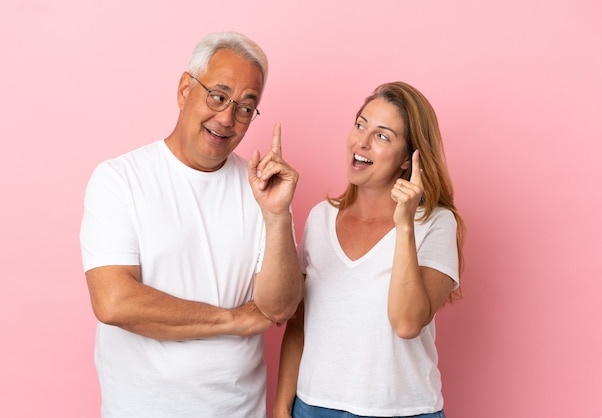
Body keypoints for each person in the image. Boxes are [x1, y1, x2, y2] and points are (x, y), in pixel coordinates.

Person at [80, 31, 303, 417]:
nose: (227, 118)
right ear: (186, 89)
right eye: (217, 97)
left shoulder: (263, 192)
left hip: (237, 409)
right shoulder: (119, 179)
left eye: (246, 108)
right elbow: (115, 302)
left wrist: (277, 216)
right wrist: (233, 319)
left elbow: (279, 308)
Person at [274, 82, 465, 418]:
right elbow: (299, 323)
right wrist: (280, 406)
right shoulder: (320, 219)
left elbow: (407, 323)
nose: (361, 141)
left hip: (403, 411)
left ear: (408, 158)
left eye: (382, 135)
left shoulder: (436, 223)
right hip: (313, 408)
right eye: (360, 125)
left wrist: (404, 225)